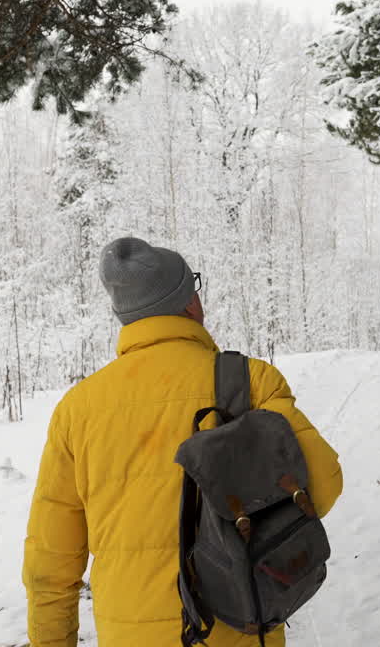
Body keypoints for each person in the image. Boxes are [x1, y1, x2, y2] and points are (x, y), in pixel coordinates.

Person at [23, 237, 343, 647]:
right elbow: (324, 483)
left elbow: (49, 566)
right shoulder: (247, 382)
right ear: (189, 303)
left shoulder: (76, 411)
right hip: (237, 627)